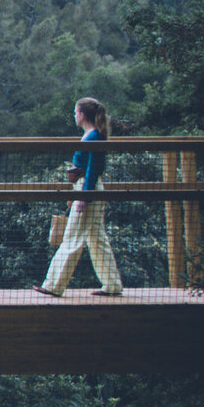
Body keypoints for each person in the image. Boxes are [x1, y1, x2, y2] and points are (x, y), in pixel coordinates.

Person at [38, 96, 124, 297]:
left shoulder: (93, 137)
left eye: (76, 112)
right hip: (87, 186)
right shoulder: (92, 136)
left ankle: (53, 285)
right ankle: (112, 285)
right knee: (97, 239)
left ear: (82, 115)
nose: (74, 116)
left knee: (72, 238)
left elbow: (93, 168)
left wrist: (84, 196)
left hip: (88, 188)